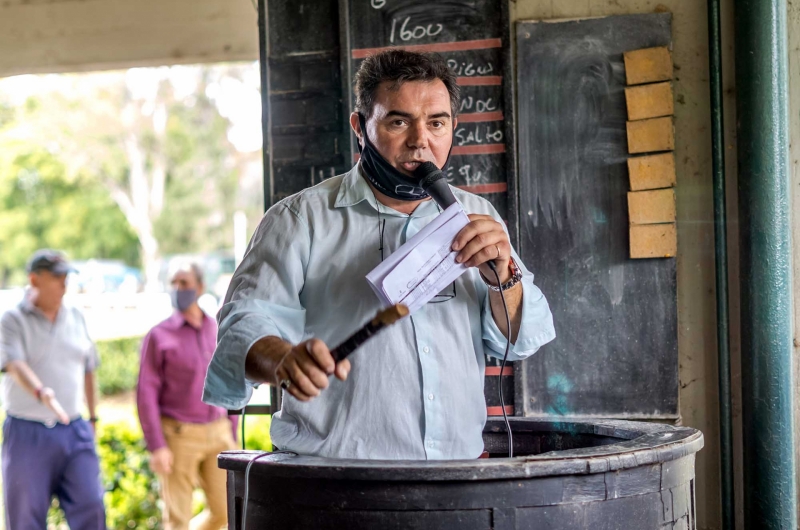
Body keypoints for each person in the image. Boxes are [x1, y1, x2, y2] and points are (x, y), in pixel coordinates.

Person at [203, 50, 556, 460]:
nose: (420, 140)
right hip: (336, 485)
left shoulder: (478, 216)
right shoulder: (299, 218)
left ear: (453, 128)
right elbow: (242, 324)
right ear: (360, 126)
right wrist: (283, 358)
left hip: (459, 479)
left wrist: (503, 278)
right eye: (398, 121)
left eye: (436, 123)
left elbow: (521, 340)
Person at [0, 249, 106, 529]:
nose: (64, 283)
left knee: (92, 508)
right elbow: (14, 364)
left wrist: (93, 418)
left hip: (74, 428)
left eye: (66, 276)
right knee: (25, 519)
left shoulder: (76, 316)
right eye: (57, 276)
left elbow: (88, 367)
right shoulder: (12, 319)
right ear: (34, 279)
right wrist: (40, 392)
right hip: (27, 432)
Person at [136, 262, 238, 530]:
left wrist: (232, 430)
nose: (178, 289)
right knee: (177, 519)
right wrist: (157, 445)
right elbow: (145, 393)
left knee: (226, 511)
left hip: (219, 433)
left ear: (200, 287)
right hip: (179, 435)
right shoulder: (158, 336)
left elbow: (229, 380)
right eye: (173, 284)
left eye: (184, 283)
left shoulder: (215, 328)